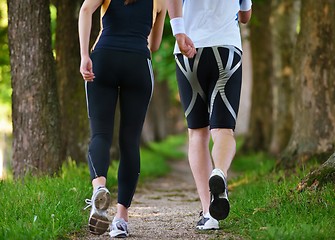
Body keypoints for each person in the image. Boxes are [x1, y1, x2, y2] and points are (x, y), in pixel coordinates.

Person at [78, 0, 166, 237]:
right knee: (130, 141)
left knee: (100, 134)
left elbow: (85, 10)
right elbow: (154, 44)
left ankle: (99, 188)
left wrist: (85, 55)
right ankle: (121, 219)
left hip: (103, 60)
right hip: (138, 62)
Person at [166, 0, 252, 230]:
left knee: (197, 134)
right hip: (227, 49)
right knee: (223, 130)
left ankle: (208, 214)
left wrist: (178, 32)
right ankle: (220, 173)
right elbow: (245, 16)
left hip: (188, 48)